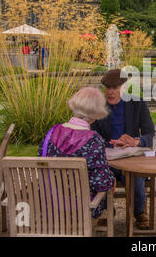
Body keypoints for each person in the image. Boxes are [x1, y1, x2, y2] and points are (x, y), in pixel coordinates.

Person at [37, 87, 115, 221]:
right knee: (109, 191)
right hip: (81, 208)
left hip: (48, 204)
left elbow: (40, 160)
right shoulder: (93, 140)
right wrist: (111, 180)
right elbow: (101, 183)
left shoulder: (51, 133)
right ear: (96, 114)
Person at [91, 68, 155, 230]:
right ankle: (106, 210)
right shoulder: (98, 107)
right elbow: (92, 136)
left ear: (124, 87)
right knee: (99, 171)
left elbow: (151, 134)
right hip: (107, 157)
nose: (110, 92)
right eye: (108, 88)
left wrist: (135, 141)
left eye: (115, 88)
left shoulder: (137, 103)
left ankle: (139, 212)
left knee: (133, 174)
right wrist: (109, 144)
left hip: (130, 156)